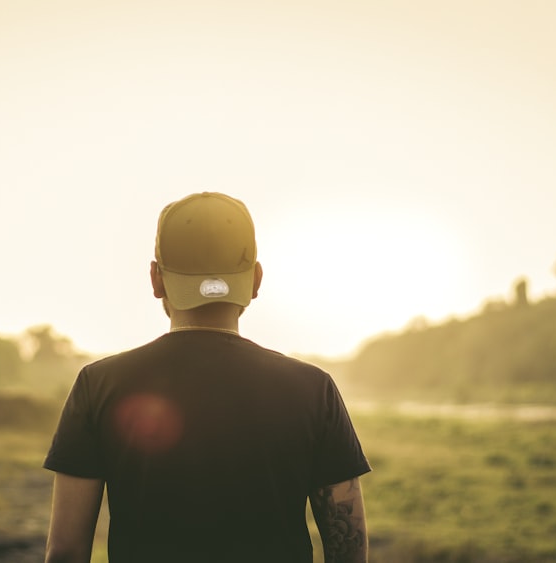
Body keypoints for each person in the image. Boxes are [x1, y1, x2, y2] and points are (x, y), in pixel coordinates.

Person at [43, 192, 371, 563]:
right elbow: (349, 549)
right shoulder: (314, 389)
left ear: (156, 279)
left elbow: (66, 551)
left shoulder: (98, 384)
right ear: (256, 280)